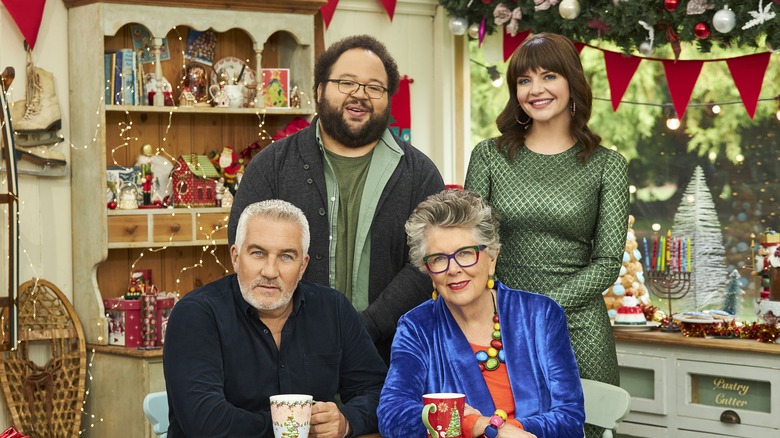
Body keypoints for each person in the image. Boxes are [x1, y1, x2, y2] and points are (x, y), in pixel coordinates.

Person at [228, 35, 445, 362]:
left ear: (388, 99)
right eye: (346, 82)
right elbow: (247, 251)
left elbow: (429, 261)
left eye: (374, 87)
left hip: (391, 358)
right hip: (283, 354)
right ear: (319, 90)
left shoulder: (419, 174)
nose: (360, 95)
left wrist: (368, 327)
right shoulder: (271, 167)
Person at [464, 32, 629, 437]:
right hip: (499, 327)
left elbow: (607, 263)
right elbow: (469, 244)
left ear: (572, 82)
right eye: (524, 80)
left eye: (548, 76)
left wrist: (537, 310)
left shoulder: (609, 165)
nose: (535, 90)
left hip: (579, 329)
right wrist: (508, 314)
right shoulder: (489, 155)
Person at [164, 200, 387, 437]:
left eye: (286, 257)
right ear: (235, 257)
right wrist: (294, 427)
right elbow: (205, 421)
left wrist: (346, 421)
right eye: (258, 253)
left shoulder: (334, 309)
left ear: (303, 265)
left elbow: (379, 393)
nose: (270, 271)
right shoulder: (196, 315)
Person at [377, 189, 585, 438]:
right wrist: (474, 425)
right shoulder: (416, 327)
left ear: (492, 258)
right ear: (427, 270)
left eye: (466, 253)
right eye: (439, 259)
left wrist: (510, 431)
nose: (453, 269)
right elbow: (392, 415)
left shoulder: (541, 315)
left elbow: (570, 417)